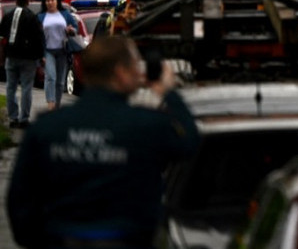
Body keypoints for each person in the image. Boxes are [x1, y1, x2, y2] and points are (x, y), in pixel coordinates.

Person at [6, 35, 200, 249]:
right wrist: (167, 92)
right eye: (135, 65)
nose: (139, 71)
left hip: (59, 238)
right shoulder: (146, 125)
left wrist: (38, 240)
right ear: (120, 73)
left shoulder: (46, 127)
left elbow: (20, 199)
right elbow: (189, 143)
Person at [0, 0, 44, 128]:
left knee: (10, 87)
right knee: (26, 88)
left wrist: (3, 56)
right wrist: (40, 56)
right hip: (28, 58)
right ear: (28, 2)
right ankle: (23, 118)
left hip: (11, 56)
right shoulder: (31, 17)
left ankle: (13, 117)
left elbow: (2, 37)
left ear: (16, 2)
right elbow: (39, 38)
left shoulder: (8, 15)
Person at [38, 0, 78, 110]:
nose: (50, 3)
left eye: (52, 0)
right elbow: (36, 35)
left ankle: (57, 105)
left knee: (60, 82)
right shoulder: (41, 16)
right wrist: (41, 54)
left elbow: (75, 28)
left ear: (57, 2)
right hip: (48, 51)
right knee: (51, 77)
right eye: (47, 1)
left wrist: (71, 30)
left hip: (62, 51)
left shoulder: (65, 14)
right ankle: (51, 102)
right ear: (45, 3)